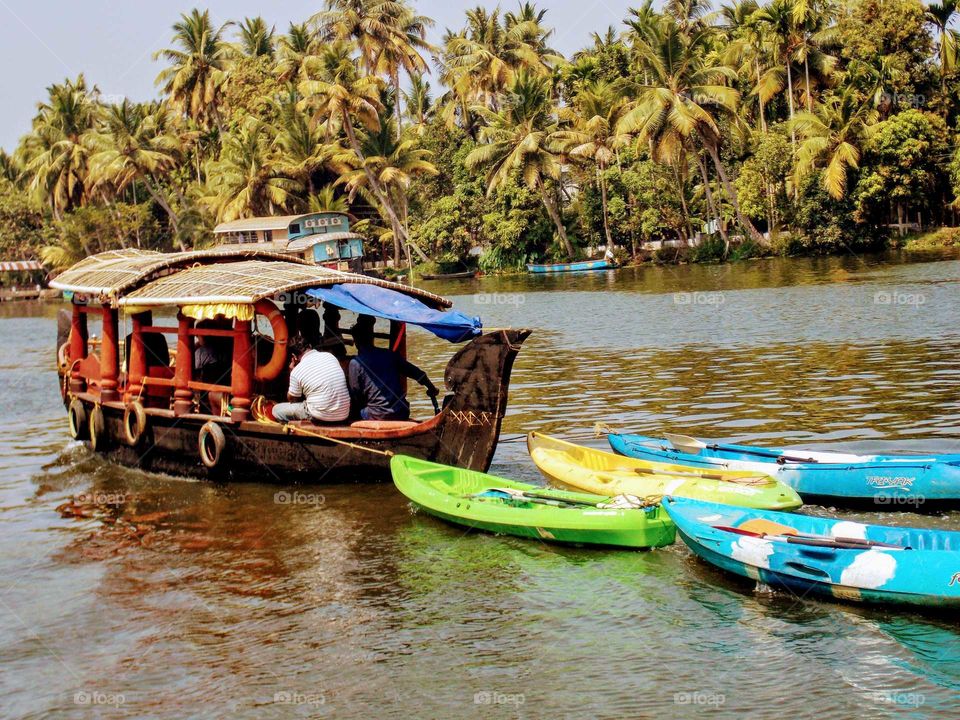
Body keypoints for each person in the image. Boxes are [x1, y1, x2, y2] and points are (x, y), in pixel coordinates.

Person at [348, 315, 439, 421]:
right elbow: (417, 373)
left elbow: (355, 394)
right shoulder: (389, 355)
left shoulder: (355, 363)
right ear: (372, 338)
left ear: (356, 342)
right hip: (402, 412)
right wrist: (431, 388)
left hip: (375, 415)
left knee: (354, 412)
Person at [272, 336, 350, 424]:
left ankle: (294, 433)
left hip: (320, 416)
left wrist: (291, 372)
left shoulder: (297, 371)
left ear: (294, 356)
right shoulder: (330, 356)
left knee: (276, 410)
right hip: (344, 414)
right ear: (309, 346)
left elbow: (292, 399)